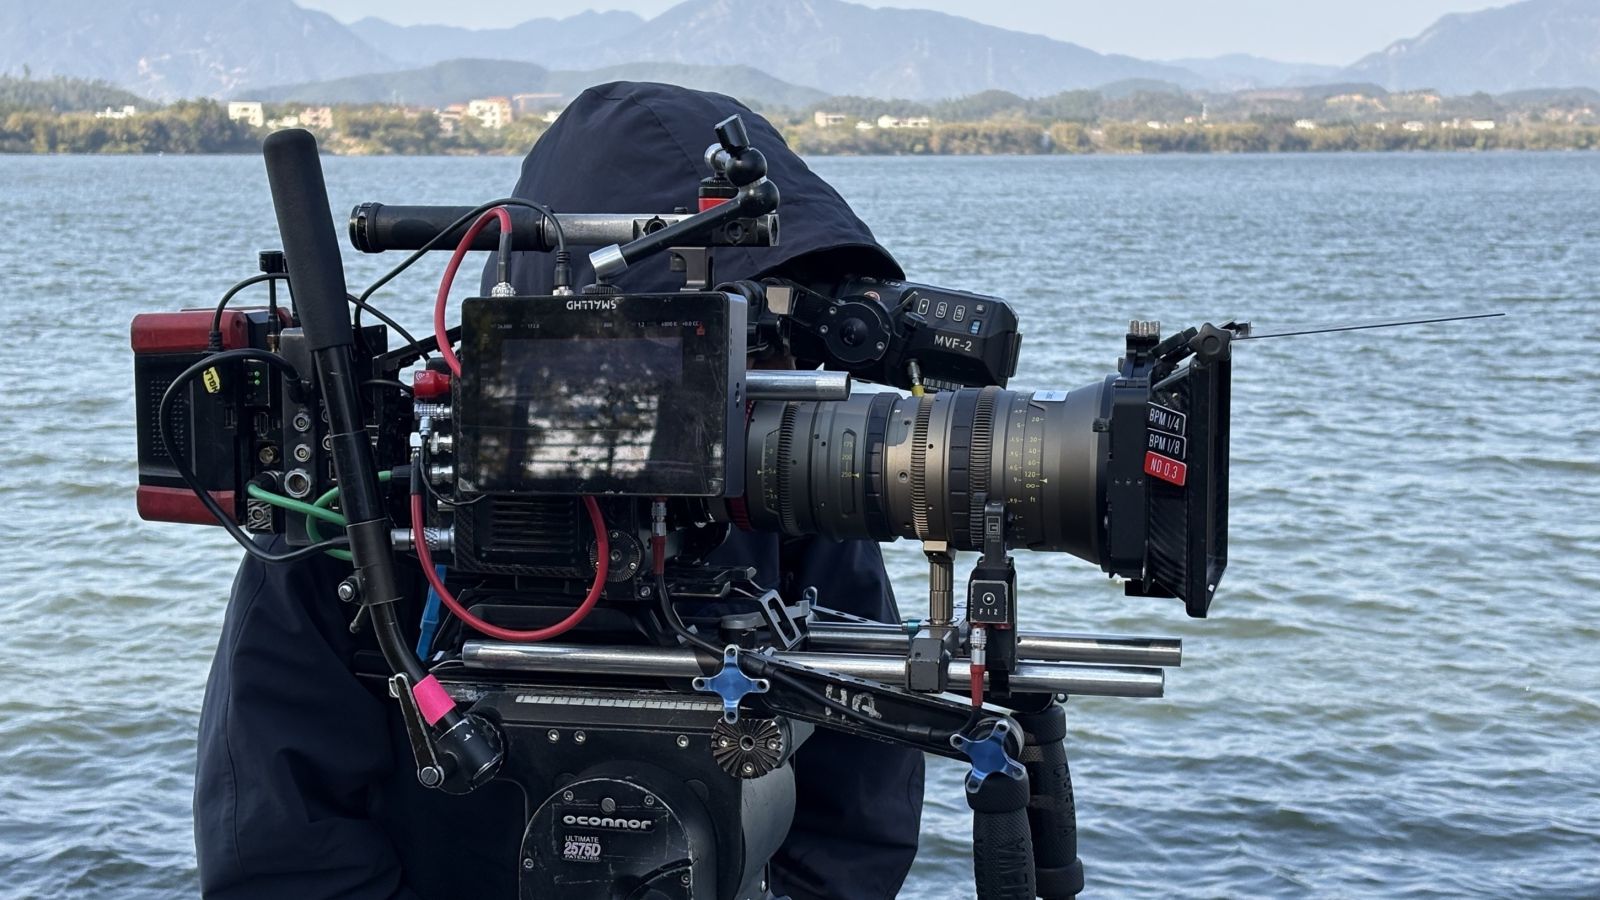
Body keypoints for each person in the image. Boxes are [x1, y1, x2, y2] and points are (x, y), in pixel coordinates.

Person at [194, 82, 925, 900]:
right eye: (716, 323)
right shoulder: (371, 502)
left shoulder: (791, 488)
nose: (750, 362)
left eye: (766, 331)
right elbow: (279, 847)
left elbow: (863, 795)